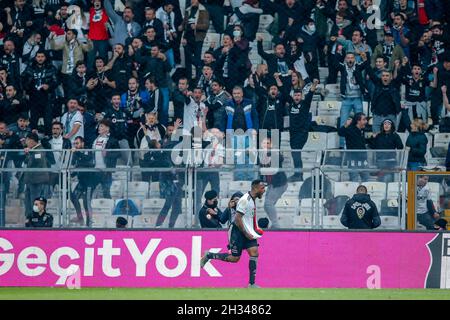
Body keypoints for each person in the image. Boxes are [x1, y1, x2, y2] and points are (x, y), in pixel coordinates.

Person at [200, 179, 266, 288]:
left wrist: (254, 229)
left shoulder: (250, 200)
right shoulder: (242, 202)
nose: (236, 201)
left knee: (254, 253)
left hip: (247, 230)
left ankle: (252, 283)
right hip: (236, 232)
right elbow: (229, 219)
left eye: (237, 199)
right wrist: (227, 209)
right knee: (234, 258)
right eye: (235, 199)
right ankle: (209, 255)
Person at [23, 132, 51, 218]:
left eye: (26, 140)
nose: (25, 142)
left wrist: (28, 153)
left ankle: (35, 221)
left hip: (37, 181)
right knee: (28, 202)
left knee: (34, 202)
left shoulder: (39, 150)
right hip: (31, 181)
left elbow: (32, 163)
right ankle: (29, 220)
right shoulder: (34, 150)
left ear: (31, 140)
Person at [70, 136, 96, 227]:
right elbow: (76, 165)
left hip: (89, 182)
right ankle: (80, 217)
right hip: (81, 181)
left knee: (86, 203)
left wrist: (76, 153)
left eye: (77, 143)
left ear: (82, 143)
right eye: (74, 144)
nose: (75, 145)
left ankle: (89, 224)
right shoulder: (76, 154)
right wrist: (71, 174)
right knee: (73, 196)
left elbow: (88, 162)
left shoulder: (88, 150)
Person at [338, 113, 369, 182]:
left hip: (363, 160)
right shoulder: (350, 129)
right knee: (354, 180)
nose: (366, 121)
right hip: (353, 160)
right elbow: (340, 133)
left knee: (367, 179)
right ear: (358, 121)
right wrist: (346, 125)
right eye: (364, 120)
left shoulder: (363, 130)